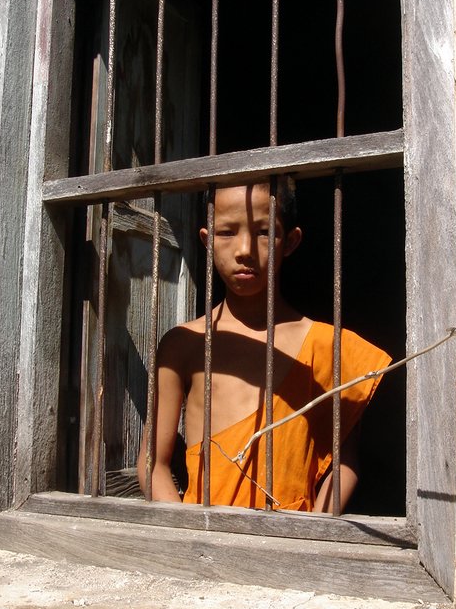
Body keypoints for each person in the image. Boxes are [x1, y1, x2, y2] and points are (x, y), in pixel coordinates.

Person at [137, 179, 392, 513]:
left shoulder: (329, 346)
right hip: (202, 538)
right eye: (226, 232)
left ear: (290, 241)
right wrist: (186, 532)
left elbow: (345, 464)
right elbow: (153, 462)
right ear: (207, 240)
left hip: (291, 540)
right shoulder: (185, 344)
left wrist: (310, 533)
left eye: (262, 231)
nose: (244, 249)